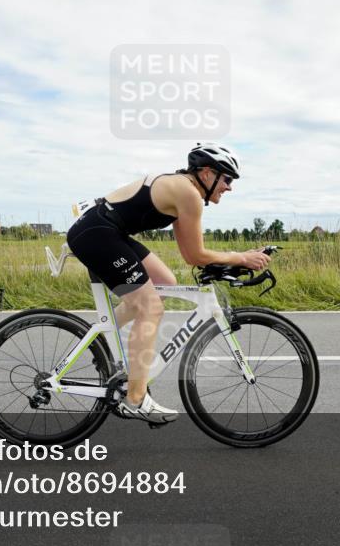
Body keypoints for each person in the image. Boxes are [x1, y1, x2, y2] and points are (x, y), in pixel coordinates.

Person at [66, 143, 271, 424]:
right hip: (97, 233)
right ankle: (135, 399)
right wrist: (241, 258)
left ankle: (101, 339)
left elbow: (192, 253)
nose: (229, 187)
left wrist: (236, 259)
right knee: (150, 308)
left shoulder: (184, 188)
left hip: (105, 229)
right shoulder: (188, 194)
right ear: (208, 174)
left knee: (165, 282)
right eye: (227, 179)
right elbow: (195, 256)